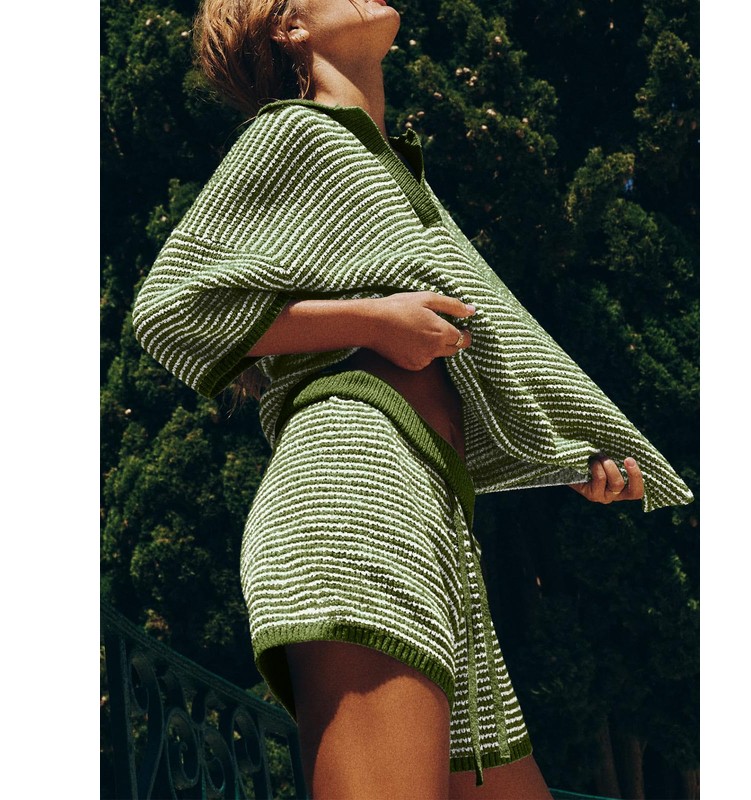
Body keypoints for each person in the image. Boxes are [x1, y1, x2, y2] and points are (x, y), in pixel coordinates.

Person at [132, 1, 694, 797]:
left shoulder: (393, 169)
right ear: (290, 28)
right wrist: (375, 321)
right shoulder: (295, 131)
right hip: (355, 491)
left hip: (435, 514)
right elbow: (168, 309)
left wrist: (567, 454)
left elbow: (484, 354)